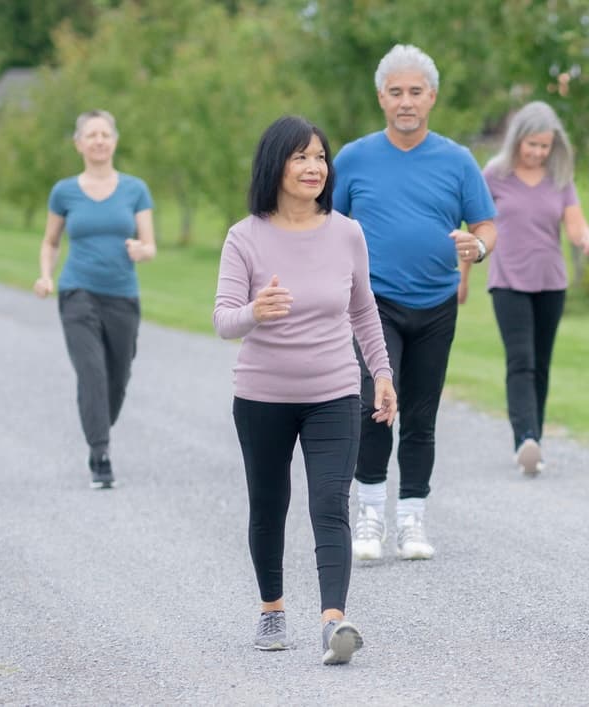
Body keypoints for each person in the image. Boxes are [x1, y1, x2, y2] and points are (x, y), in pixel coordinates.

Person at [213, 115, 397, 665]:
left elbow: (364, 310)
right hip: (262, 396)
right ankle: (272, 609)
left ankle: (332, 623)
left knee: (329, 504)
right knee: (269, 505)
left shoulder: (347, 232)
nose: (314, 166)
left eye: (320, 156)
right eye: (301, 157)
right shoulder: (244, 236)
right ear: (275, 165)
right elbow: (224, 320)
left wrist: (382, 375)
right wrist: (255, 311)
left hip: (334, 393)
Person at [333, 44, 497, 562]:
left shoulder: (457, 160)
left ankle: (412, 519)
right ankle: (371, 513)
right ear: (381, 98)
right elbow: (326, 224)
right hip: (373, 303)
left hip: (435, 305)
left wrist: (481, 246)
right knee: (374, 406)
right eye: (396, 92)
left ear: (432, 98)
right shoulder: (354, 158)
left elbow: (485, 223)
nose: (406, 102)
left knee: (422, 414)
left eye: (416, 92)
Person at [34, 109, 156, 490]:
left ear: (114, 141)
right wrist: (45, 275)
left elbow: (150, 245)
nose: (99, 140)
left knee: (118, 378)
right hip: (77, 291)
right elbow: (51, 241)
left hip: (122, 295)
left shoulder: (135, 188)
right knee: (92, 372)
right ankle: (100, 454)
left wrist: (141, 249)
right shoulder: (64, 191)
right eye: (92, 135)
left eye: (105, 134)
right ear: (79, 144)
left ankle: (98, 425)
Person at [480, 101, 589, 476]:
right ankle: (524, 439)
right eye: (531, 145)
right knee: (521, 360)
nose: (537, 152)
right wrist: (464, 277)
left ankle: (536, 442)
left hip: (550, 282)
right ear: (517, 141)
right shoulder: (495, 174)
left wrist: (587, 240)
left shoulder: (559, 178)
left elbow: (575, 223)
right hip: (508, 281)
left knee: (542, 364)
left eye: (544, 146)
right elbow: (478, 226)